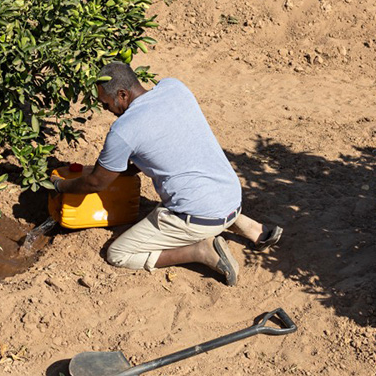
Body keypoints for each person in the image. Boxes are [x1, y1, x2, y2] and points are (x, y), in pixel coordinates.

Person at [49, 62, 282, 286]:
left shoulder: (124, 129)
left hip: (199, 217)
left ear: (122, 95)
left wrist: (60, 187)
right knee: (203, 194)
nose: (106, 109)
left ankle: (200, 251)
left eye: (106, 103)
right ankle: (254, 230)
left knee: (118, 254)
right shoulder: (174, 87)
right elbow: (159, 145)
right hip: (231, 195)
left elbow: (96, 182)